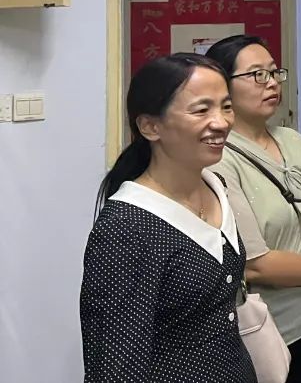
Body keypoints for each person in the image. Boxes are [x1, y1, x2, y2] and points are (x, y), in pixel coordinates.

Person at [81, 54, 256, 383]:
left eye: (226, 106)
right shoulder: (125, 228)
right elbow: (114, 368)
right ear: (150, 126)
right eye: (201, 110)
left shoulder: (215, 185)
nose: (221, 122)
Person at [206, 35, 301, 383]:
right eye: (257, 74)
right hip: (265, 333)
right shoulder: (216, 159)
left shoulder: (293, 141)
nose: (271, 82)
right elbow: (255, 263)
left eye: (274, 72)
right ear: (223, 87)